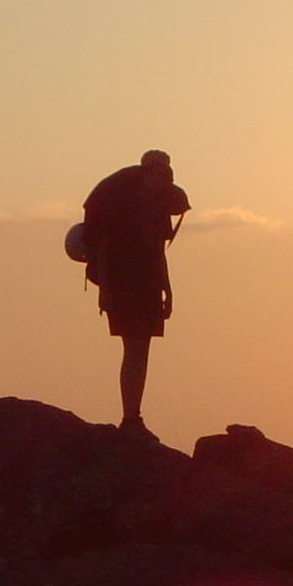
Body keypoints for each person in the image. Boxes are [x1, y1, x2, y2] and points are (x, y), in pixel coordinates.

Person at [82, 150, 190, 441]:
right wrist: (104, 290)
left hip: (147, 284)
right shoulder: (123, 205)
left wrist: (167, 289)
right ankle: (130, 418)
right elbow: (104, 248)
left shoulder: (155, 207)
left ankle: (133, 416)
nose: (160, 178)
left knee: (140, 350)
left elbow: (158, 251)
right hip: (124, 283)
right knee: (134, 348)